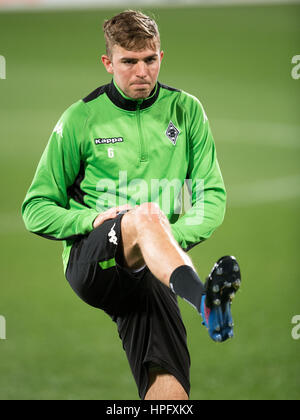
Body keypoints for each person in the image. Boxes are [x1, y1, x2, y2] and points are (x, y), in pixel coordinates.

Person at [22, 10, 241, 400]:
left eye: (150, 59)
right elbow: (35, 207)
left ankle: (191, 290)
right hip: (93, 261)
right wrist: (93, 218)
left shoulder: (186, 111)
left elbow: (212, 196)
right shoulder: (81, 119)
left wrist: (160, 237)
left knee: (169, 390)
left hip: (156, 270)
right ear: (108, 63)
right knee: (145, 216)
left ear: (161, 56)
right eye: (129, 61)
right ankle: (204, 300)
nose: (142, 71)